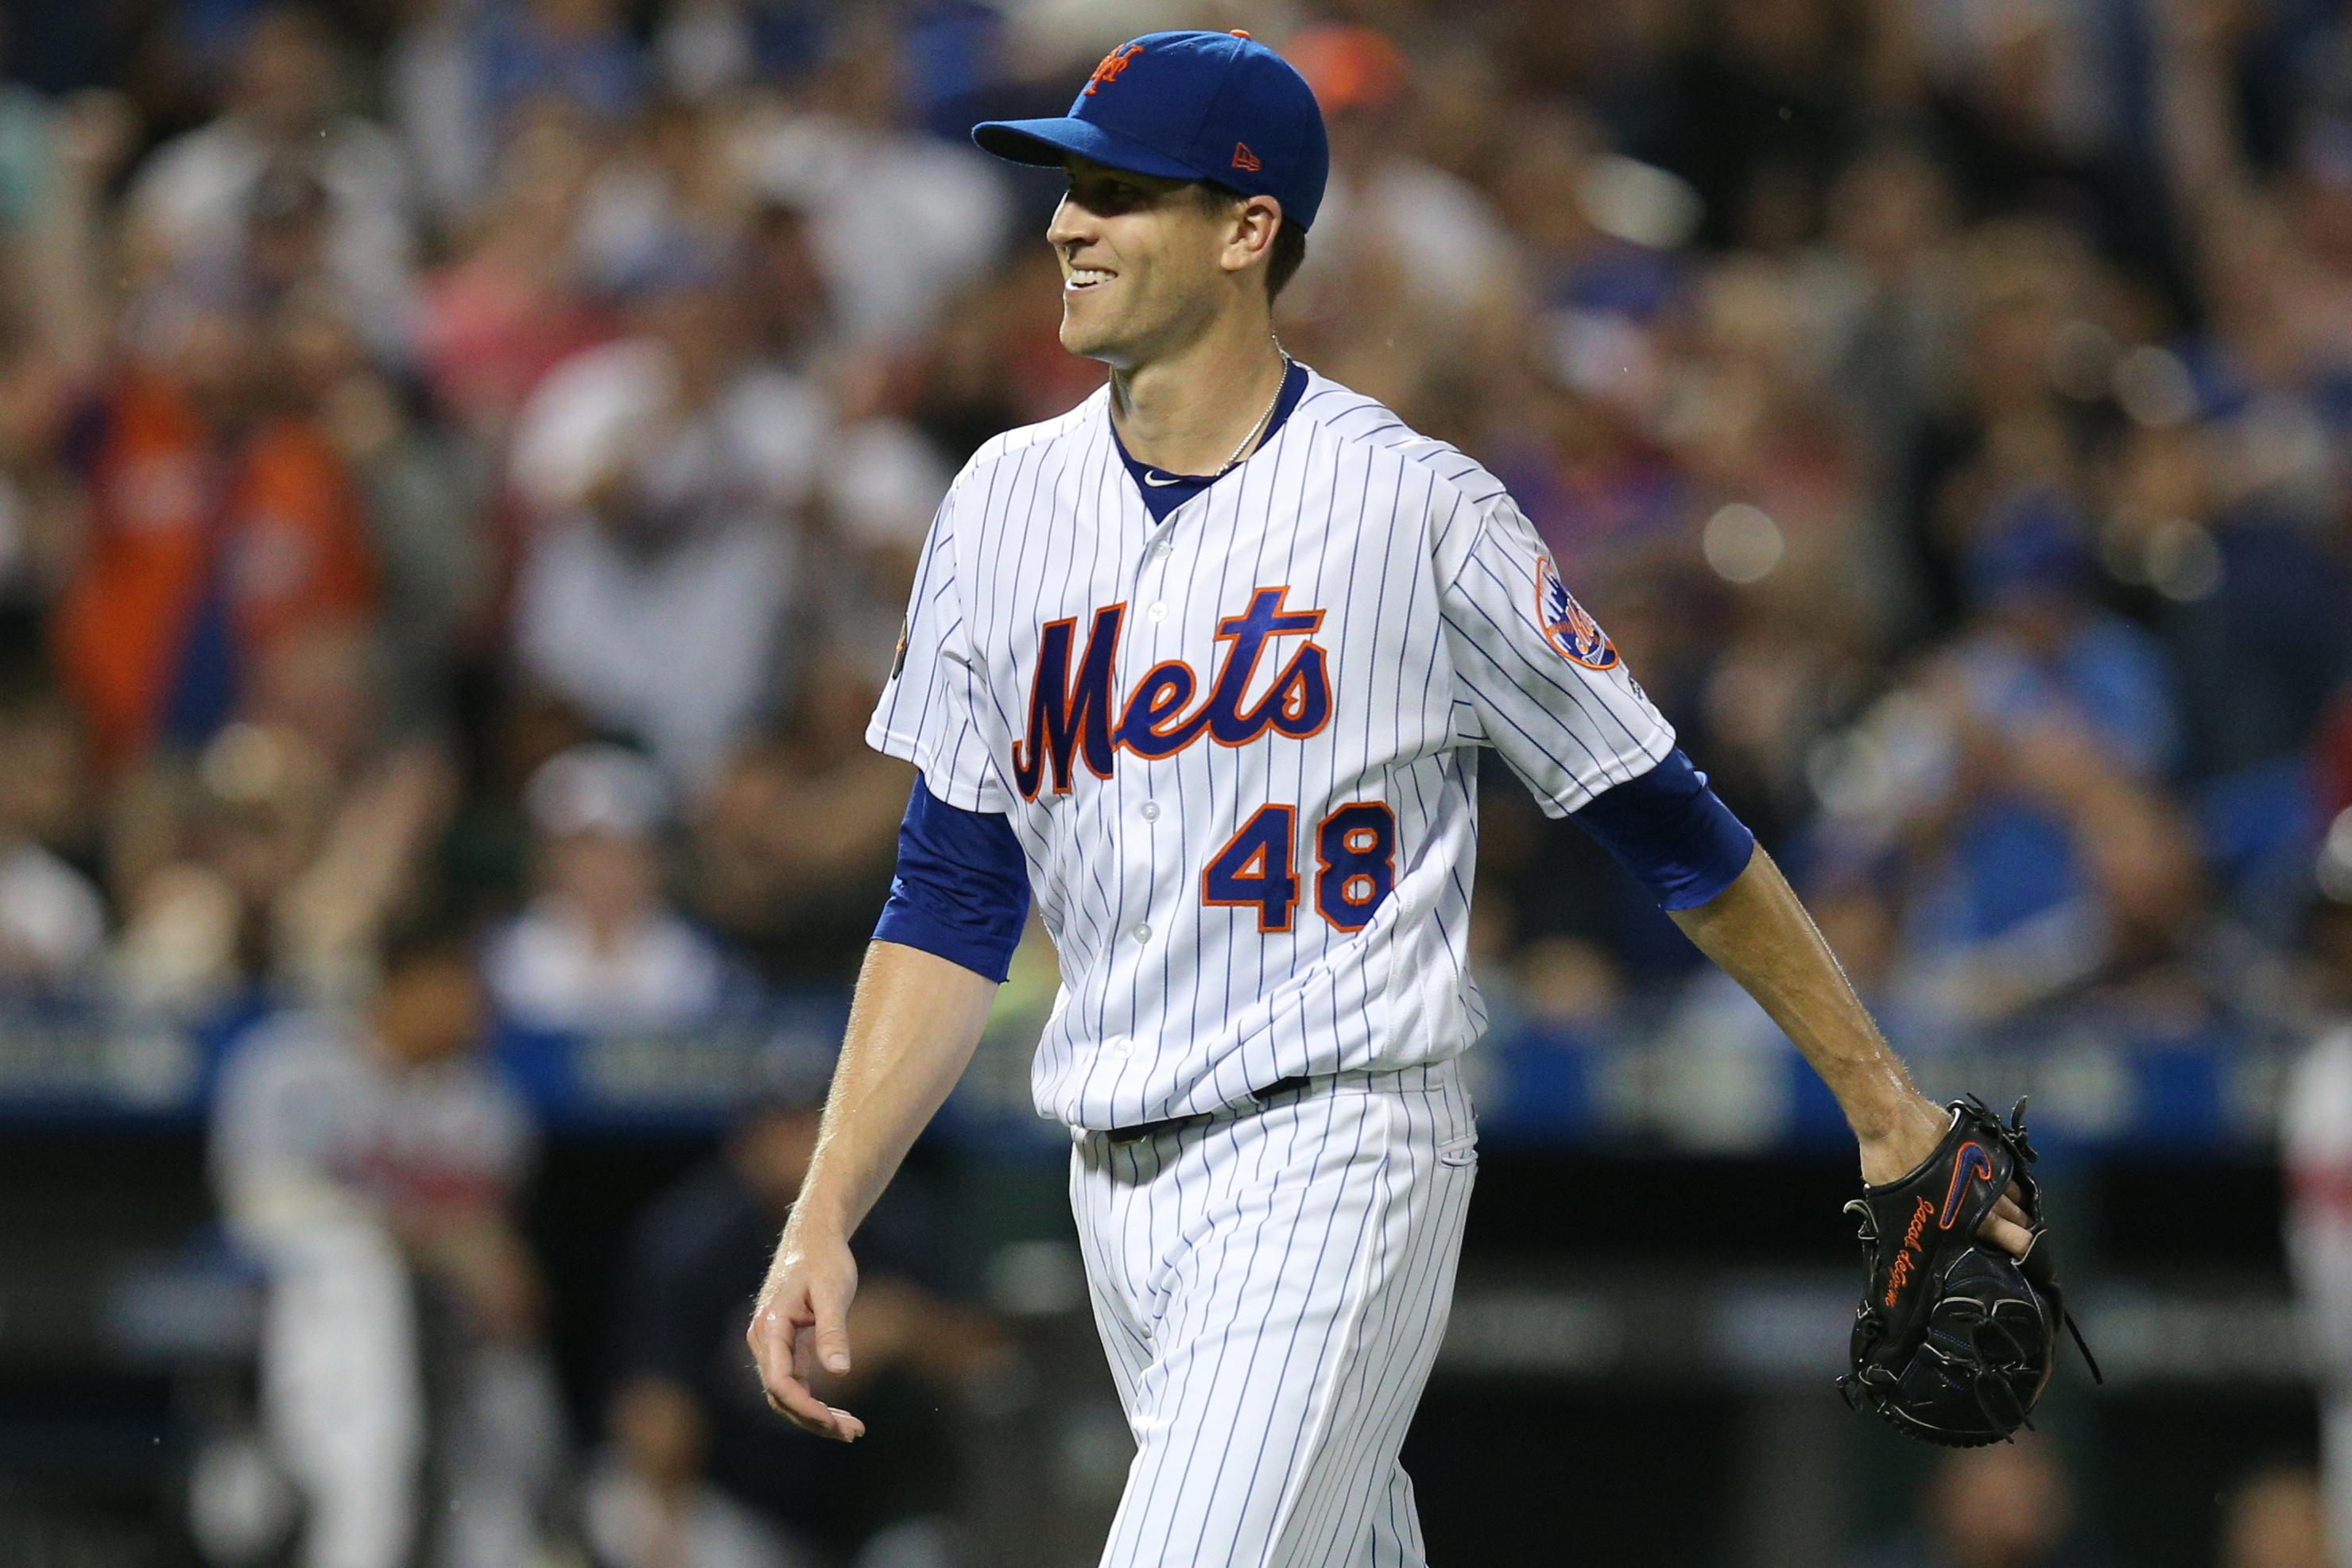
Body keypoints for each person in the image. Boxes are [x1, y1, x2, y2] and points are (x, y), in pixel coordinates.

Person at [745, 30, 2035, 1568]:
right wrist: (825, 1207)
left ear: (1246, 228)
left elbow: (1661, 815)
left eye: (1116, 192)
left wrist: (1880, 1100)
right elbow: (949, 894)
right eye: (1067, 186)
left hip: (1335, 1150)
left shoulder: (1410, 508)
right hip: (1113, 1188)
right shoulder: (997, 503)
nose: (1063, 225)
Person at [211, 916, 565, 1568]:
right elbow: (261, 1207)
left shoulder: (485, 1102)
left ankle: (524, 1530)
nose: (475, 1013)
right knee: (352, 1270)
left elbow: (486, 1246)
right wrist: (420, 1232)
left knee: (508, 1365)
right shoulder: (290, 1064)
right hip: (280, 1320)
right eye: (458, 991)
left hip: (428, 1329)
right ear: (402, 986)